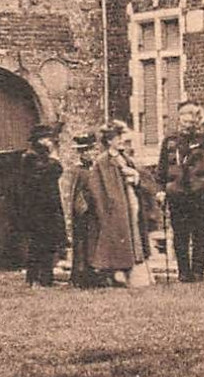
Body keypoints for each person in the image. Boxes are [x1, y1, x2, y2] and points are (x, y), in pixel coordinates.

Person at [155, 100, 204, 283]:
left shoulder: (203, 138)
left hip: (199, 192)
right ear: (179, 120)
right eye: (184, 121)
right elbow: (162, 169)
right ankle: (184, 273)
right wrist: (161, 190)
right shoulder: (170, 140)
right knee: (180, 234)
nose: (187, 125)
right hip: (177, 193)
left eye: (191, 121)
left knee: (201, 233)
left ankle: (198, 272)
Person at [81, 123, 143, 286]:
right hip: (113, 205)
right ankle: (113, 272)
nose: (121, 141)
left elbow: (131, 173)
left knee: (129, 233)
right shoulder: (103, 161)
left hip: (128, 199)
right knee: (114, 237)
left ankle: (127, 269)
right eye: (118, 138)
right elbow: (99, 186)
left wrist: (134, 177)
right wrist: (108, 205)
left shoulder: (123, 158)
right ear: (109, 141)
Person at [14, 123, 67, 287]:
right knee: (37, 244)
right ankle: (33, 279)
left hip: (48, 207)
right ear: (38, 140)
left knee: (49, 243)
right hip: (36, 209)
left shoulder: (43, 156)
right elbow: (52, 170)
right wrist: (54, 158)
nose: (49, 141)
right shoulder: (30, 157)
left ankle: (46, 278)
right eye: (46, 138)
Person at [113, 127, 156, 288]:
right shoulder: (116, 161)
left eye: (129, 143)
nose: (126, 147)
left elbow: (148, 186)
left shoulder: (137, 165)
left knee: (140, 239)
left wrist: (137, 179)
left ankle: (141, 273)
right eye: (124, 143)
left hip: (139, 206)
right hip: (125, 205)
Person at [66, 132, 103, 288]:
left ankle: (93, 273)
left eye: (90, 150)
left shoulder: (95, 168)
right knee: (81, 243)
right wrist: (80, 207)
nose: (88, 153)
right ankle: (80, 275)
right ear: (80, 153)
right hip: (82, 211)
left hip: (95, 211)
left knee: (93, 242)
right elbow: (73, 192)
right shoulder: (77, 170)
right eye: (85, 151)